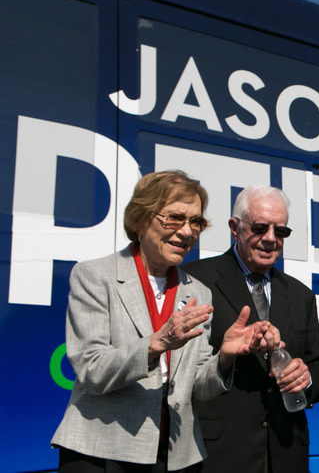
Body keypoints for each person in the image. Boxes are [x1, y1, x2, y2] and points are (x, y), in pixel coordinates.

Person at [51, 170, 275, 472]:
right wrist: (155, 344)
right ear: (141, 219)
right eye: (174, 218)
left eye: (195, 222)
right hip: (103, 450)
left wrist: (225, 357)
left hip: (175, 454)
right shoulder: (95, 276)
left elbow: (196, 386)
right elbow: (92, 369)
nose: (186, 232)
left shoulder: (197, 291)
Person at [182, 185, 319, 473]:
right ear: (234, 228)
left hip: (287, 453)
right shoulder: (195, 281)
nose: (271, 239)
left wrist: (306, 379)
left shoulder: (301, 296)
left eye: (281, 231)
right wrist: (227, 357)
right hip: (219, 453)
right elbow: (181, 371)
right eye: (260, 228)